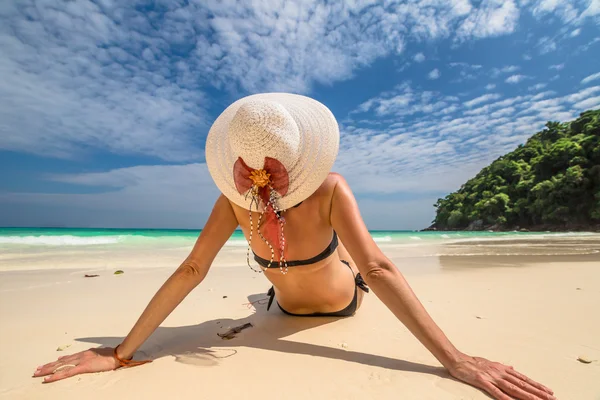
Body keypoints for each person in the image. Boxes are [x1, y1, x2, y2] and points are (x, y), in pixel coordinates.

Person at [33, 93, 555, 400]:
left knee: (350, 264)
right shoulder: (234, 200)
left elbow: (378, 267)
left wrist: (455, 359)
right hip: (281, 303)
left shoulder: (330, 188)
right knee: (269, 295)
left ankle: (318, 270)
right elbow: (192, 269)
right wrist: (120, 353)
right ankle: (278, 290)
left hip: (341, 298)